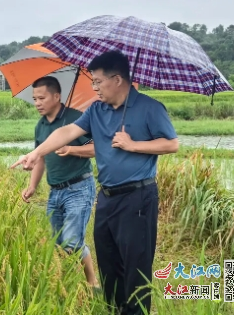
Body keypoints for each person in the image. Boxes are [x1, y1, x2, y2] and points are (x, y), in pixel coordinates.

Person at [11, 51, 179, 315]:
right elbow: (68, 131)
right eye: (93, 82)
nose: (95, 87)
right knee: (108, 260)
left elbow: (171, 144)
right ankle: (113, 309)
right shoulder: (96, 110)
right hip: (107, 196)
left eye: (98, 82)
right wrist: (37, 152)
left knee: (135, 263)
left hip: (138, 197)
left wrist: (133, 145)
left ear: (118, 80)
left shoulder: (150, 108)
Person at [21, 76, 99, 288]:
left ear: (56, 96)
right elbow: (40, 158)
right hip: (55, 191)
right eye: (34, 99)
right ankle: (71, 284)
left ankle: (91, 283)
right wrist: (32, 186)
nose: (37, 103)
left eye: (41, 98)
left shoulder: (77, 119)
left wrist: (71, 149)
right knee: (58, 242)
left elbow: (96, 149)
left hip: (79, 188)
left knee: (71, 241)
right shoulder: (41, 126)